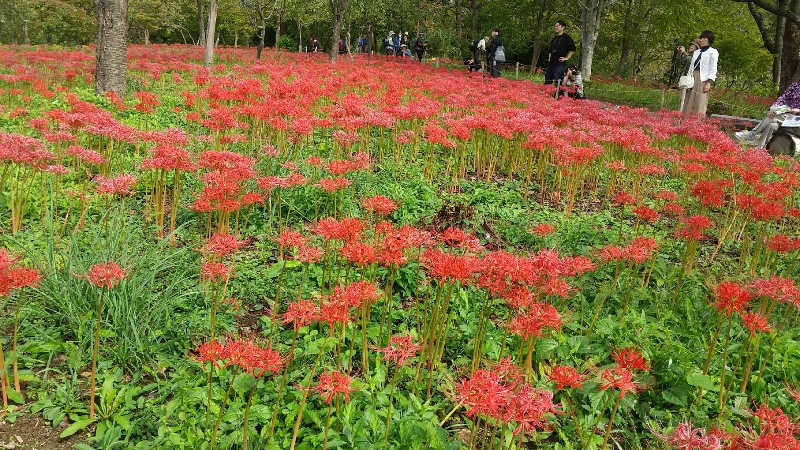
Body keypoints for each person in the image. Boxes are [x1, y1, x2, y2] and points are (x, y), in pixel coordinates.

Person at [735, 81, 800, 148]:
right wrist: (774, 107)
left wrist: (795, 110)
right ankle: (760, 148)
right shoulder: (795, 85)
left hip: (796, 121)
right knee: (771, 125)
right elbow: (783, 97)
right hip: (785, 116)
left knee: (771, 117)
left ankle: (752, 134)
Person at [682, 30, 718, 118]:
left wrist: (708, 83)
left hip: (703, 79)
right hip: (692, 77)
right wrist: (688, 78)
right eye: (701, 38)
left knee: (700, 101)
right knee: (688, 100)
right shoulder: (697, 52)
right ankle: (685, 121)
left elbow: (713, 68)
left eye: (704, 38)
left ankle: (697, 124)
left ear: (709, 40)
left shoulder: (713, 52)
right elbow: (691, 66)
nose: (701, 40)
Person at [545, 21, 576, 85]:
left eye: (557, 26)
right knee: (547, 80)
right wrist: (549, 59)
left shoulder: (567, 38)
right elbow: (550, 50)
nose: (555, 27)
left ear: (563, 27)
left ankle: (557, 94)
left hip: (560, 64)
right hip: (551, 64)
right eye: (555, 26)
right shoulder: (554, 38)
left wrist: (566, 58)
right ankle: (546, 94)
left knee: (557, 81)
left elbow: (572, 49)